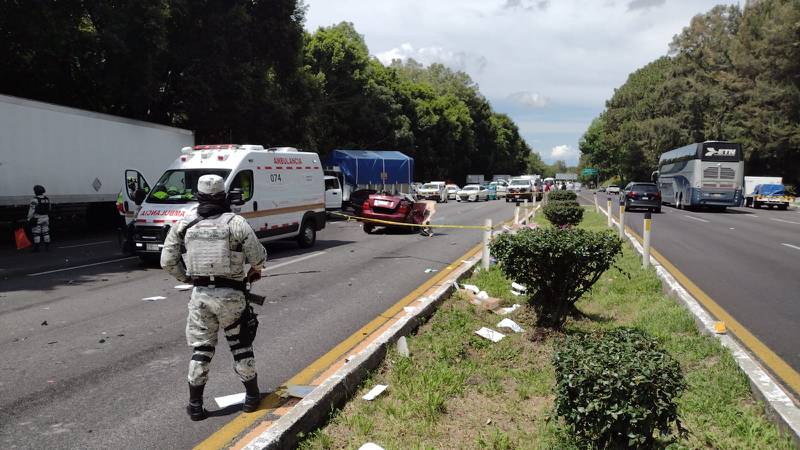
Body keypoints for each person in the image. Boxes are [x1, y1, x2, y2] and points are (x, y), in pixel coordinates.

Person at [161, 174, 267, 421]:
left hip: (200, 297)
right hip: (232, 296)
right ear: (223, 196)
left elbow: (167, 261)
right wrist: (254, 271)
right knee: (241, 347)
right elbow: (258, 258)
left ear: (198, 195)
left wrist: (188, 279)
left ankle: (195, 406)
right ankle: (252, 399)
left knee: (202, 350)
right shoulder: (236, 223)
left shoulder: (185, 223)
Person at [27, 185, 51, 252]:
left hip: (37, 218)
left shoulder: (35, 200)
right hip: (46, 217)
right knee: (46, 232)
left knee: (36, 233)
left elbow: (31, 210)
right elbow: (49, 208)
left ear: (36, 191)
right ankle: (47, 247)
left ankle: (36, 248)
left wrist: (29, 218)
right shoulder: (47, 199)